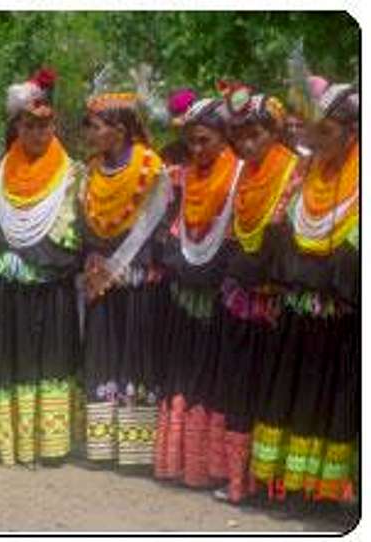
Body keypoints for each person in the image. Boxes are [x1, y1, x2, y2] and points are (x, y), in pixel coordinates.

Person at [0, 67, 82, 467]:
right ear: (16, 127)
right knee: (4, 358)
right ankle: (1, 437)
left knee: (43, 360)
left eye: (45, 125)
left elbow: (74, 231)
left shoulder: (71, 176)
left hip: (46, 288)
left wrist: (34, 258)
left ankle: (46, 444)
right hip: (5, 288)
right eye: (29, 125)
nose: (37, 133)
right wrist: (2, 255)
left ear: (55, 126)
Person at [251, 76, 359, 503]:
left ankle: (326, 490)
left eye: (326, 133)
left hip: (342, 320)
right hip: (299, 313)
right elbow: (280, 234)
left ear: (354, 134)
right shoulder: (303, 173)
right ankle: (288, 486)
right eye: (313, 131)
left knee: (329, 401)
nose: (315, 141)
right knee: (291, 394)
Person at [205, 83, 303, 503]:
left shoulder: (294, 173)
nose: (246, 143)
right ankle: (236, 479)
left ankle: (265, 483)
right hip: (240, 299)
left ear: (275, 133)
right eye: (239, 136)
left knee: (268, 389)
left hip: (276, 303)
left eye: (255, 134)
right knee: (238, 387)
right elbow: (235, 230)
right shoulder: (244, 173)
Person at [153, 97, 246, 488]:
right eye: (191, 142)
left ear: (225, 138)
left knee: (213, 379)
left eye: (205, 140)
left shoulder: (241, 178)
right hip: (185, 297)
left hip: (221, 299)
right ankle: (180, 464)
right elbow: (167, 228)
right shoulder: (181, 178)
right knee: (184, 374)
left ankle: (212, 469)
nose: (196, 149)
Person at [78, 85, 172, 466]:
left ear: (119, 129)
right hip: (102, 273)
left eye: (95, 125)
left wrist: (130, 260)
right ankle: (103, 445)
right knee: (103, 351)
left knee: (135, 353)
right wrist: (94, 256)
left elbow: (161, 223)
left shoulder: (151, 168)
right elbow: (86, 218)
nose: (89, 133)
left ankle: (136, 449)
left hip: (137, 274)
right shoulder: (91, 170)